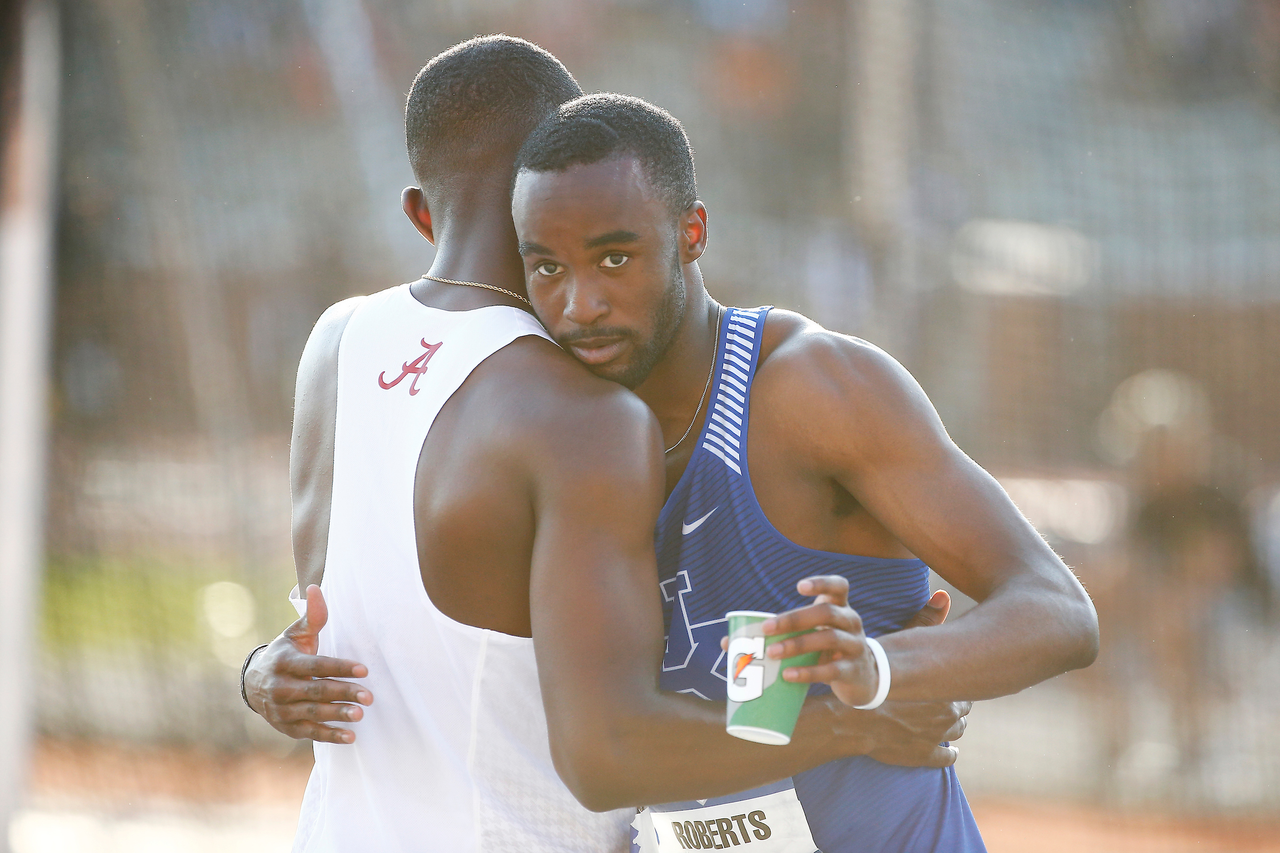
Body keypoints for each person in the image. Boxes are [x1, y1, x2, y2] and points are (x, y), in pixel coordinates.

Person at [242, 36, 972, 853]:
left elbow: (333, 621)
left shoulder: (336, 344)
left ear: (419, 212)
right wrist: (860, 719)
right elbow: (611, 748)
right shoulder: (583, 414)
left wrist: (256, 673)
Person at [506, 93, 1100, 851]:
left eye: (614, 258)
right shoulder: (552, 432)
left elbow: (1059, 610)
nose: (579, 304)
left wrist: (880, 667)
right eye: (548, 268)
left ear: (692, 233)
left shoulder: (810, 388)